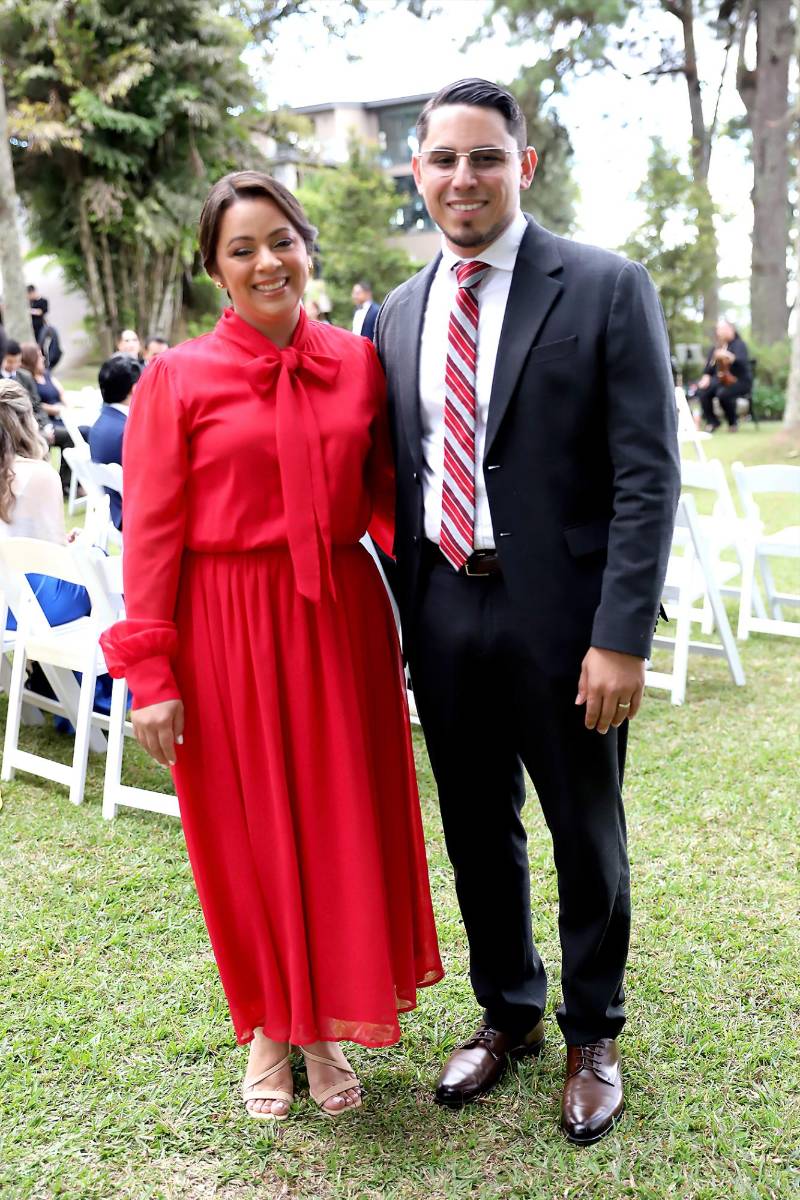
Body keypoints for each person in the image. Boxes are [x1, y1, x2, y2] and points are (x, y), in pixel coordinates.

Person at [99, 170, 442, 1123]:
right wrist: (152, 672)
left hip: (338, 618)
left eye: (280, 240)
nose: (266, 262)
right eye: (241, 249)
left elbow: (388, 499)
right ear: (216, 270)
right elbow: (152, 535)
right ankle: (265, 1025)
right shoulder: (175, 378)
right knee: (246, 832)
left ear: (307, 247)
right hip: (225, 626)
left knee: (337, 821)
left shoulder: (360, 363)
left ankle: (322, 1026)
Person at [374, 79, 680, 1145]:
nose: (463, 178)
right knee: (475, 829)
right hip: (444, 612)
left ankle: (593, 1028)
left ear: (524, 165)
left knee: (584, 830)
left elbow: (646, 474)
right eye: (443, 160)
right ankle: (508, 1011)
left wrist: (619, 636)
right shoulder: (395, 311)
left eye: (484, 157)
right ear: (416, 172)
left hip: (568, 624)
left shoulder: (602, 287)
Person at [0, 379, 89, 628]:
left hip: (5, 602)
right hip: (32, 603)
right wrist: (78, 546)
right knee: (100, 575)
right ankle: (95, 668)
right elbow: (55, 556)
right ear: (25, 420)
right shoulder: (39, 473)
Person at [89, 356, 142, 530]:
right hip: (131, 514)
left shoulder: (100, 423)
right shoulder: (128, 431)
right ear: (135, 389)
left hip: (114, 510)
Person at [19, 342, 73, 496]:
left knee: (81, 431)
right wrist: (52, 416)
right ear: (30, 359)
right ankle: (59, 485)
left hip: (55, 419)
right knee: (68, 435)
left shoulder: (46, 374)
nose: (43, 358)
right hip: (44, 422)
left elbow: (60, 391)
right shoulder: (26, 378)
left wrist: (66, 405)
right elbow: (35, 405)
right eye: (39, 356)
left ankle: (67, 482)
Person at [695, 318, 751, 432]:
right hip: (721, 380)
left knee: (723, 394)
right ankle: (713, 421)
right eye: (719, 329)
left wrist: (728, 356)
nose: (720, 331)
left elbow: (743, 363)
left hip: (739, 381)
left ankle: (732, 422)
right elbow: (709, 368)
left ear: (731, 330)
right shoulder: (716, 348)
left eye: (723, 328)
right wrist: (705, 377)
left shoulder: (739, 345)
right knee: (702, 391)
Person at [1, 339, 54, 444]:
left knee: (58, 436)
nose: (13, 365)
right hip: (7, 428)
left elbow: (37, 405)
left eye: (17, 361)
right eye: (9, 361)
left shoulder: (25, 377)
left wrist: (46, 425)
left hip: (31, 424)